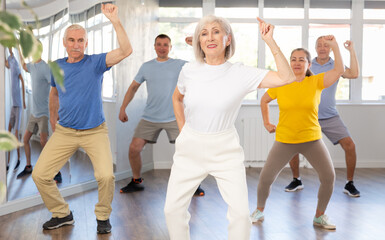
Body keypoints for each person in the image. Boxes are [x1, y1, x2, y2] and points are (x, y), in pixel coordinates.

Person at [164, 15, 296, 240]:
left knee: (240, 214)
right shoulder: (189, 70)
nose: (210, 37)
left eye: (216, 31)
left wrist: (270, 41)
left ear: (227, 39)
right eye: (203, 33)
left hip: (225, 149)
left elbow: (287, 77)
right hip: (190, 147)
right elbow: (177, 98)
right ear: (198, 42)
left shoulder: (240, 73)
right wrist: (184, 130)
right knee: (172, 211)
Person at [31, 3, 132, 234]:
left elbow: (126, 50)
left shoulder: (96, 63)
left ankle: (103, 216)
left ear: (86, 43)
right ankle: (62, 213)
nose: (76, 44)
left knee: (106, 175)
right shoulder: (56, 66)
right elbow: (54, 93)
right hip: (65, 131)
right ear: (65, 43)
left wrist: (115, 21)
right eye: (71, 40)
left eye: (81, 40)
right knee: (40, 175)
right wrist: (54, 120)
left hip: (95, 131)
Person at [251, 37, 344, 230]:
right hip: (285, 139)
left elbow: (339, 70)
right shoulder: (281, 84)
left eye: (301, 59)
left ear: (309, 64)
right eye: (293, 59)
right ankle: (259, 210)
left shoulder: (317, 81)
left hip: (311, 139)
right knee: (266, 178)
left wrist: (334, 46)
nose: (296, 62)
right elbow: (264, 100)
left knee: (329, 177)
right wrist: (266, 122)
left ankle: (319, 216)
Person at [119, 34, 205, 196]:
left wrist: (196, 44)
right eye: (159, 44)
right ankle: (136, 181)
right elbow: (132, 88)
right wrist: (123, 107)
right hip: (150, 116)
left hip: (175, 116)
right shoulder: (146, 67)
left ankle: (194, 184)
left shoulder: (180, 65)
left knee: (189, 150)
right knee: (133, 149)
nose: (162, 47)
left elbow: (202, 63)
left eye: (165, 45)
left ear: (170, 47)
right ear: (154, 46)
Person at [285, 38, 360, 197]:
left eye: (326, 45)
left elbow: (354, 74)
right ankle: (296, 179)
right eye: (319, 45)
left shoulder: (336, 65)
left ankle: (350, 183)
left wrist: (351, 50)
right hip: (306, 116)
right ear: (315, 48)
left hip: (329, 116)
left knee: (350, 145)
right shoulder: (307, 64)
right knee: (292, 146)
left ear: (331, 48)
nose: (322, 48)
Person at [16, 44, 56, 181]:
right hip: (34, 113)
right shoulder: (32, 67)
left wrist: (56, 110)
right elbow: (23, 64)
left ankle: (55, 172)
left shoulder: (45, 67)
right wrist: (18, 47)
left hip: (44, 113)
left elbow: (55, 88)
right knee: (25, 139)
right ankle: (28, 167)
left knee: (44, 142)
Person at [5, 47, 26, 173]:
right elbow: (6, 66)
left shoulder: (16, 64)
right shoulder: (10, 59)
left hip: (18, 104)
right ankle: (7, 162)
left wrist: (23, 101)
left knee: (16, 135)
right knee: (8, 132)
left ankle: (18, 159)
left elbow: (23, 82)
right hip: (13, 105)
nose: (9, 47)